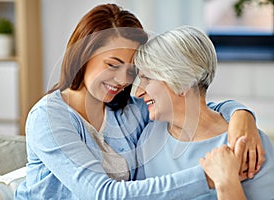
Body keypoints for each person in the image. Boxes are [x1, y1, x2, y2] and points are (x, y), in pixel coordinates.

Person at [15, 4, 264, 199]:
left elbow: (190, 103)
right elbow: (100, 194)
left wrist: (241, 115)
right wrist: (209, 177)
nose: (123, 80)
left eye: (132, 70)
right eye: (112, 64)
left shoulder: (130, 112)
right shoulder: (49, 117)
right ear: (83, 55)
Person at [134, 25, 274, 199]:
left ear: (181, 82)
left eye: (147, 79)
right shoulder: (149, 137)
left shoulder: (247, 144)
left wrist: (227, 184)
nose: (138, 92)